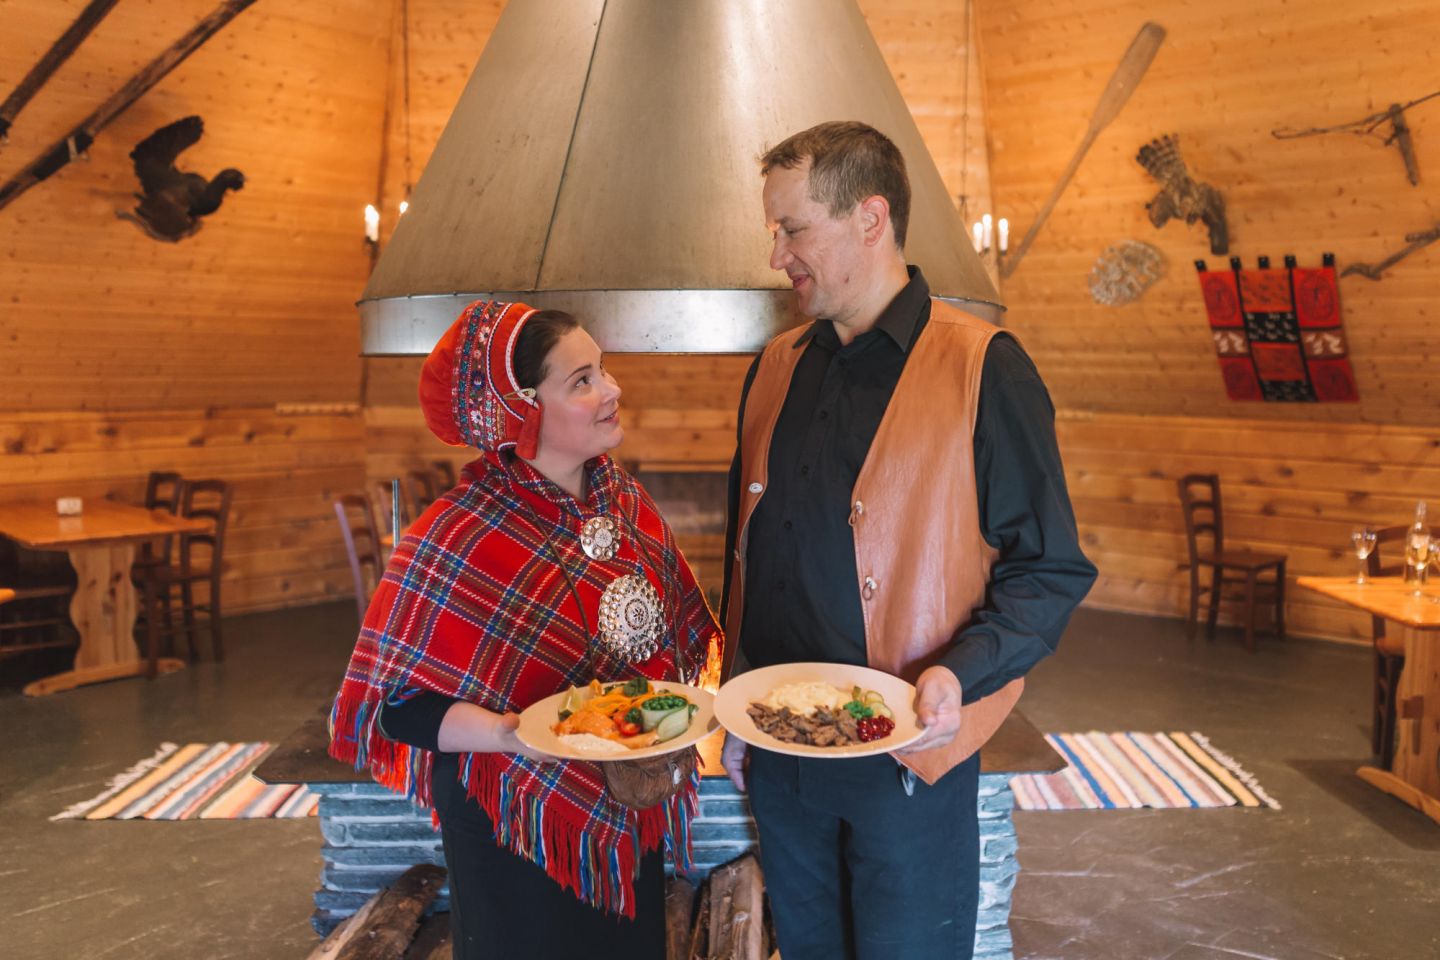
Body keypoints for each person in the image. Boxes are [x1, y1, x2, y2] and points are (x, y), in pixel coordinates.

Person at [720, 121, 1097, 960]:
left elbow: (1050, 568)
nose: (778, 254)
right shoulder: (775, 364)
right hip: (780, 753)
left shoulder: (984, 365)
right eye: (774, 230)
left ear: (870, 217)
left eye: (793, 228)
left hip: (909, 760)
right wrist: (735, 707)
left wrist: (956, 678)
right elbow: (746, 554)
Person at [329, 300, 721, 960]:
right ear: (522, 409)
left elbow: (676, 640)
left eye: (603, 370)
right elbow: (395, 711)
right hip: (514, 821)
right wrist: (509, 735)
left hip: (628, 811)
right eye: (582, 381)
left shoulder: (626, 503)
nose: (612, 390)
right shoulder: (455, 537)